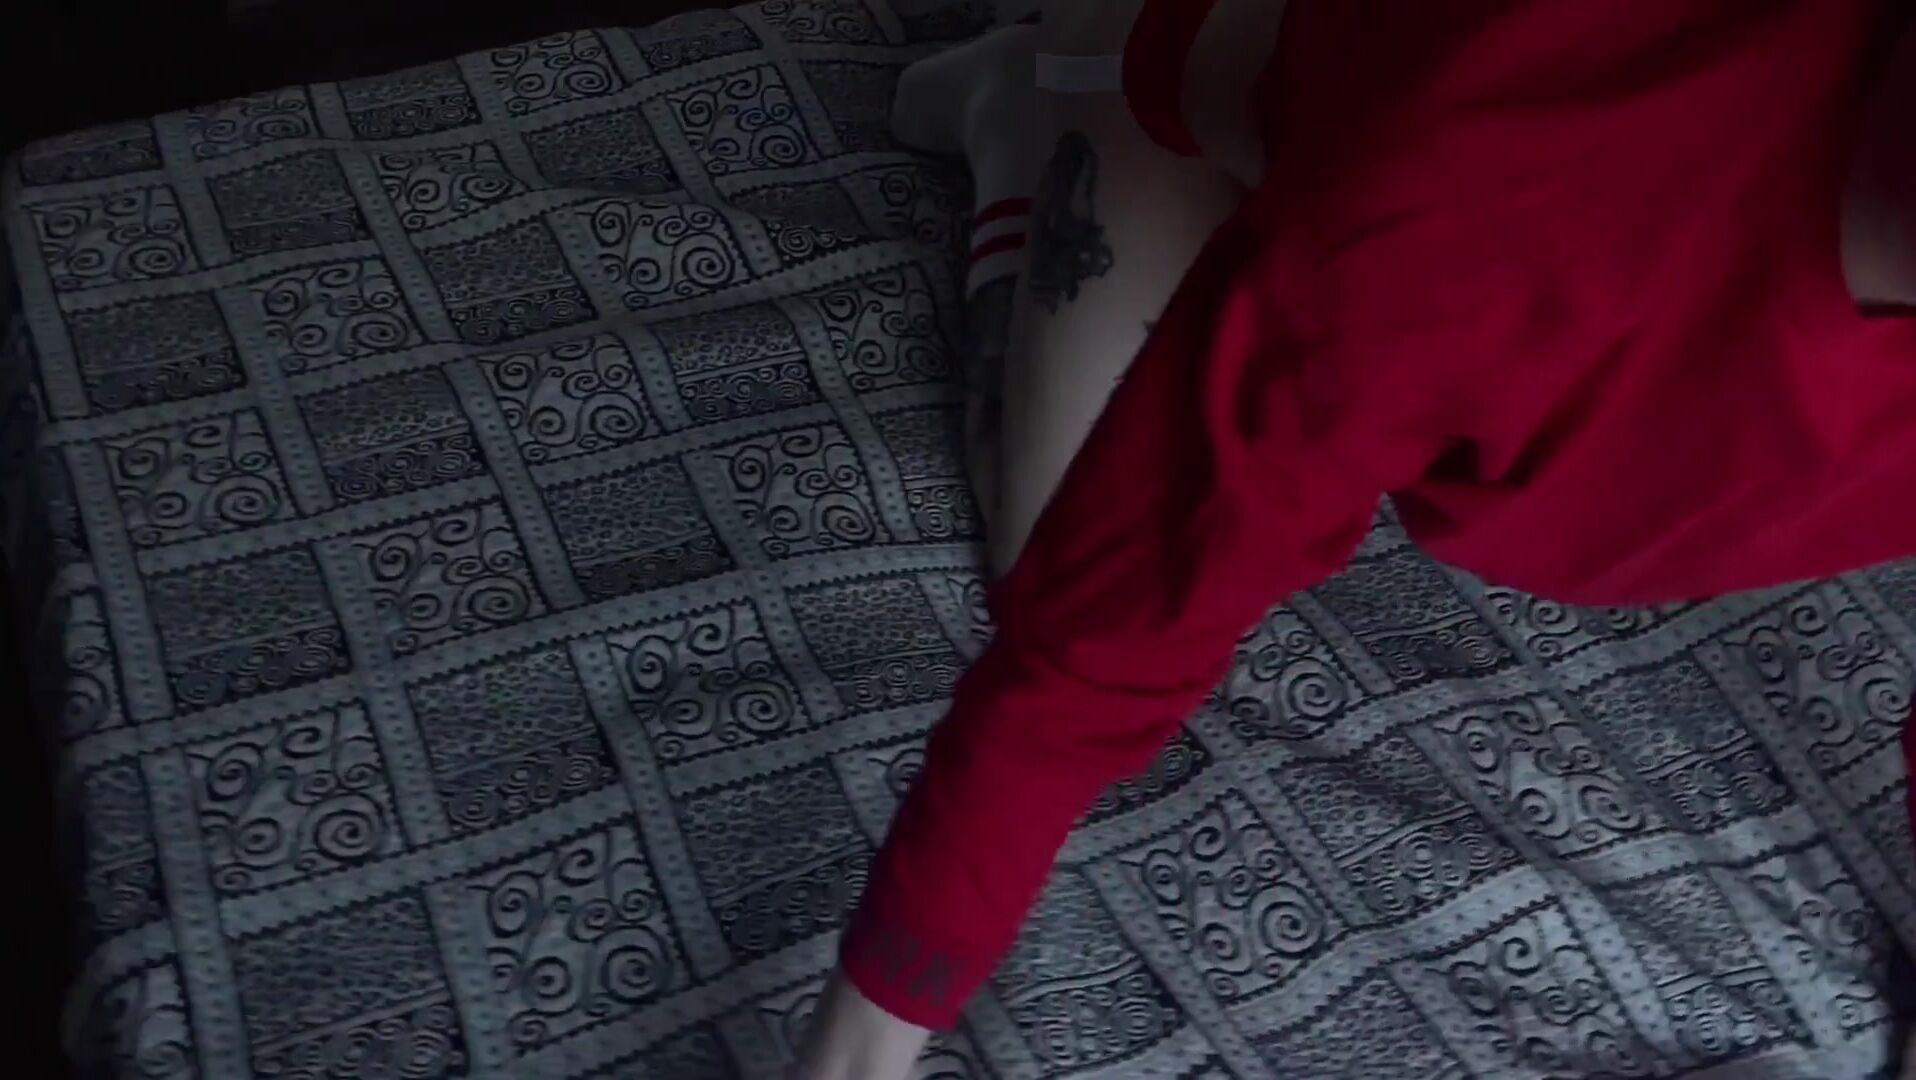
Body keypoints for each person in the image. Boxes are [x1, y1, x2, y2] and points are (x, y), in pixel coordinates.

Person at [796, 1, 1916, 1076]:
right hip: (1200, 85)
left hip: (1411, 174)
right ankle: (1029, 98)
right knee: (1050, 550)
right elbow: (1088, 658)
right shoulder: (1480, 212)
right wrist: (857, 1049)